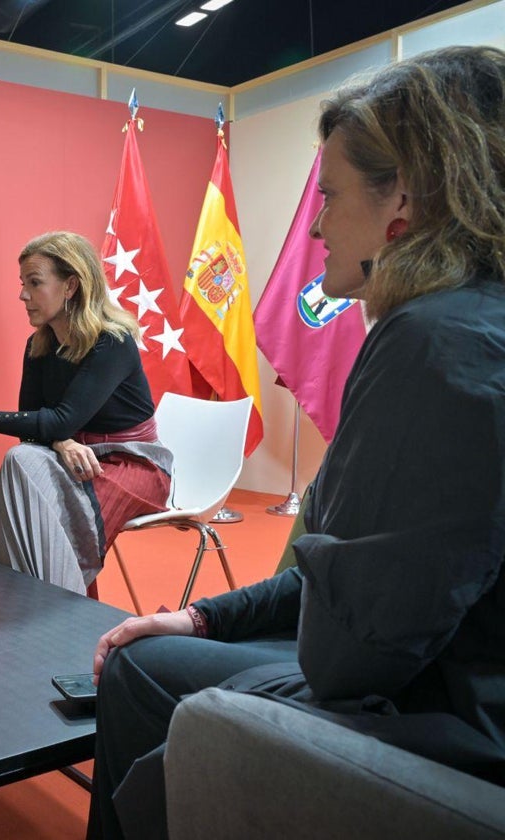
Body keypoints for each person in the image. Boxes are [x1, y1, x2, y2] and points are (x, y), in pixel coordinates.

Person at [87, 45, 505, 840]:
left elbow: (347, 651)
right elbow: (368, 573)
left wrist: (219, 623)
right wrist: (206, 620)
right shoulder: (475, 323)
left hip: (453, 732)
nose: (314, 223)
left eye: (331, 193)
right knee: (171, 647)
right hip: (458, 689)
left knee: (139, 670)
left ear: (403, 204)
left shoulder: (433, 342)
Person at [0, 231, 172, 595]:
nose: (23, 295)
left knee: (56, 517)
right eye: (22, 283)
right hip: (77, 454)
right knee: (22, 459)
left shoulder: (112, 340)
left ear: (71, 286)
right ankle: (21, 593)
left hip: (134, 464)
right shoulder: (39, 344)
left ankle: (61, 609)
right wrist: (62, 442)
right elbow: (33, 425)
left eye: (34, 283)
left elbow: (61, 418)